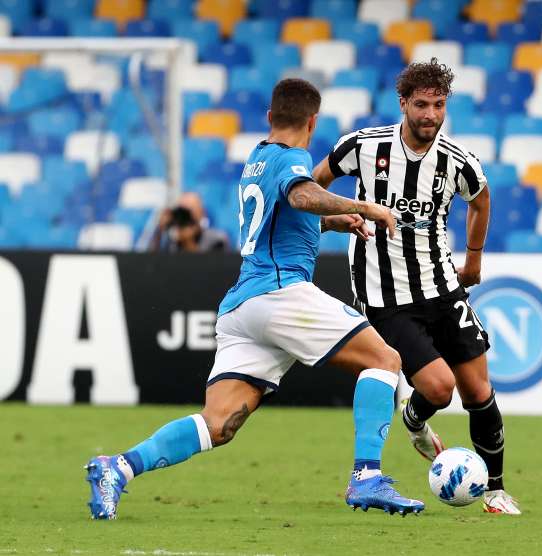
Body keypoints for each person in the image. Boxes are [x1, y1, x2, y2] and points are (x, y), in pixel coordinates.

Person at [84, 78, 424, 520]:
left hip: (244, 306)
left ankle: (118, 468)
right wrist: (366, 208)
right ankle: (366, 476)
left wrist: (337, 222)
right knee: (384, 360)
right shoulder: (294, 160)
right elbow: (302, 194)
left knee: (218, 423)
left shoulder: (258, 159)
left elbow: (286, 219)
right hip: (281, 294)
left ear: (270, 117)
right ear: (313, 121)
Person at [313, 59, 521, 514]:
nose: (430, 114)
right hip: (386, 298)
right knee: (441, 388)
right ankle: (415, 419)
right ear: (403, 103)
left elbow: (482, 201)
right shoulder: (363, 147)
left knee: (478, 391)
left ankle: (496, 491)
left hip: (443, 286)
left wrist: (474, 260)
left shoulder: (457, 161)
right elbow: (312, 185)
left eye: (439, 105)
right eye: (422, 104)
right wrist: (332, 221)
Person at [149, 192, 230, 252]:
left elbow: (213, 268)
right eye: (182, 211)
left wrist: (188, 241)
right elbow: (152, 264)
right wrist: (160, 231)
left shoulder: (216, 239)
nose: (185, 217)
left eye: (189, 211)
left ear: (201, 213)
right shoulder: (171, 241)